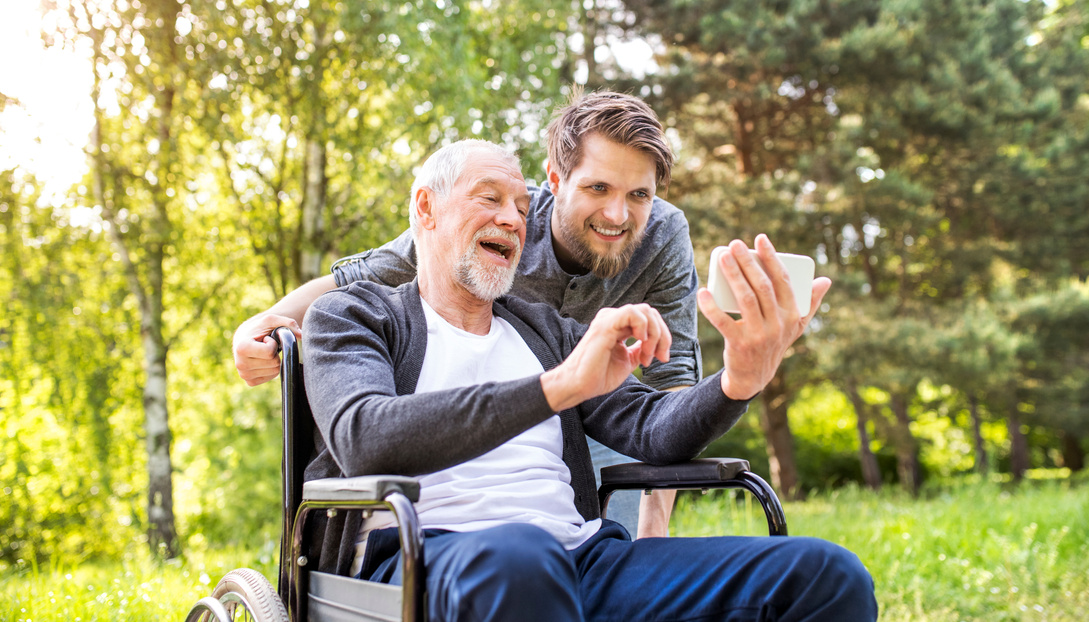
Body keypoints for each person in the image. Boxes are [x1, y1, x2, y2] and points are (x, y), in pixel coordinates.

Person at [301, 139, 876, 621]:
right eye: (491, 199)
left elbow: (654, 431)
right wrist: (556, 388)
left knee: (826, 575)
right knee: (522, 557)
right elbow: (365, 438)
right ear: (426, 208)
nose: (512, 219)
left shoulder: (548, 332)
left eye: (524, 209)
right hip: (422, 563)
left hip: (580, 560)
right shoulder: (355, 315)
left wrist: (739, 380)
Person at [235, 89, 704, 537]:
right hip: (481, 413)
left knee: (615, 543)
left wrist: (654, 523)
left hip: (595, 412)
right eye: (598, 187)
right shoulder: (498, 221)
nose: (618, 214)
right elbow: (362, 274)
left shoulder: (663, 236)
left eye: (639, 195)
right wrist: (263, 324)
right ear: (556, 182)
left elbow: (672, 375)